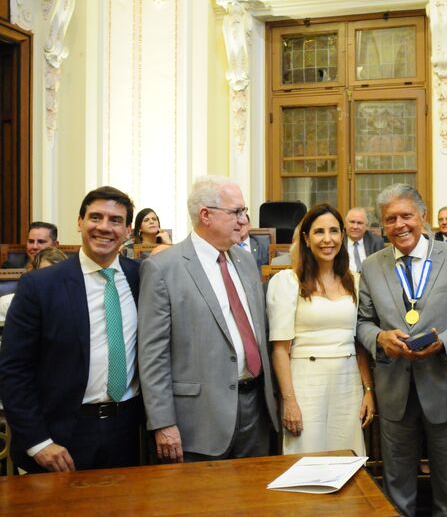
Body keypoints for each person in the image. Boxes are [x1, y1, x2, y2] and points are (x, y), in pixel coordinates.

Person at [356, 184, 447, 517]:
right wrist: (381, 338)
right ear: (382, 226)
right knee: (396, 484)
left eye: (406, 216)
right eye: (390, 219)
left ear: (423, 217)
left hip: (443, 384)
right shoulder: (371, 266)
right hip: (394, 389)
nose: (399, 225)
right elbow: (362, 323)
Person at [0, 187, 144, 473]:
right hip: (61, 435)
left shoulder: (142, 276)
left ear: (128, 229)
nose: (104, 227)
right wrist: (38, 442)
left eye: (115, 220)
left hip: (128, 430)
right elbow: (13, 370)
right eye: (95, 217)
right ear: (79, 222)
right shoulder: (39, 286)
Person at [138, 176, 278, 463]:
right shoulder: (164, 268)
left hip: (257, 410)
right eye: (236, 212)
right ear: (206, 215)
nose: (244, 220)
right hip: (199, 420)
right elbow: (153, 354)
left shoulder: (246, 261)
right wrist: (162, 422)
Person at [267, 204, 375, 455]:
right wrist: (290, 400)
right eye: (319, 232)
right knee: (305, 458)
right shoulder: (287, 282)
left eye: (334, 231)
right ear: (306, 238)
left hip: (348, 383)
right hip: (305, 383)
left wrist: (368, 390)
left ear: (342, 236)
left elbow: (358, 341)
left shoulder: (355, 280)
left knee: (347, 459)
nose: (328, 239)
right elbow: (280, 349)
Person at [0, 248, 68, 327]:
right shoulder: (7, 304)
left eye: (56, 276)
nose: (50, 281)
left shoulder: (71, 309)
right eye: (44, 274)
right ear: (32, 274)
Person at [345, 207, 384, 273]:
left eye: (359, 223)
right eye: (352, 222)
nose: (355, 227)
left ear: (366, 226)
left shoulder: (376, 242)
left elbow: (380, 270)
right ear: (345, 223)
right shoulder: (338, 241)